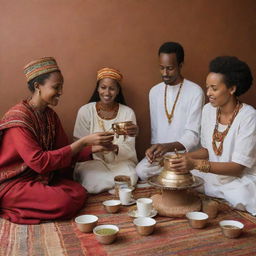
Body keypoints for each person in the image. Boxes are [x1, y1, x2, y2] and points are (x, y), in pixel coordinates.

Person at [0, 57, 114, 224]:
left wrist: (95, 148)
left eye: (61, 86)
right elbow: (39, 162)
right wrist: (83, 142)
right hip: (14, 183)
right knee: (65, 202)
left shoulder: (50, 115)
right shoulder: (19, 118)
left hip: (41, 177)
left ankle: (34, 202)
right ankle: (10, 205)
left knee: (79, 191)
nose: (60, 91)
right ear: (38, 86)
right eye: (56, 87)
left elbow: (64, 151)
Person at [170, 56, 256, 215]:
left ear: (232, 89)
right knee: (181, 177)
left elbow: (237, 168)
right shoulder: (208, 110)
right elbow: (208, 151)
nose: (208, 93)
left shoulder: (249, 117)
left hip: (237, 179)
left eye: (214, 88)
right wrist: (183, 158)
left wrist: (195, 164)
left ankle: (219, 198)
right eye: (207, 87)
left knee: (242, 195)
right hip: (213, 174)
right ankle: (217, 198)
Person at [136, 42, 205, 180]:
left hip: (187, 155)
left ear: (180, 66)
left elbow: (193, 134)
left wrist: (168, 147)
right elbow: (156, 131)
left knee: (199, 178)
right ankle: (170, 174)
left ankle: (174, 175)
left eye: (170, 68)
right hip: (163, 157)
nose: (165, 73)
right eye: (161, 68)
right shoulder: (154, 92)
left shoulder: (195, 91)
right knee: (141, 171)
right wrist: (154, 151)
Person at [73, 67, 138, 193]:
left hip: (120, 161)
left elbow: (130, 146)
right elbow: (78, 144)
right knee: (95, 180)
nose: (107, 92)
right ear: (97, 88)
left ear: (118, 91)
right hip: (93, 162)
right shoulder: (85, 111)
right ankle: (117, 188)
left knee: (131, 175)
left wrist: (114, 148)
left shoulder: (128, 112)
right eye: (103, 87)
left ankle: (111, 188)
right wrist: (97, 147)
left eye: (112, 88)